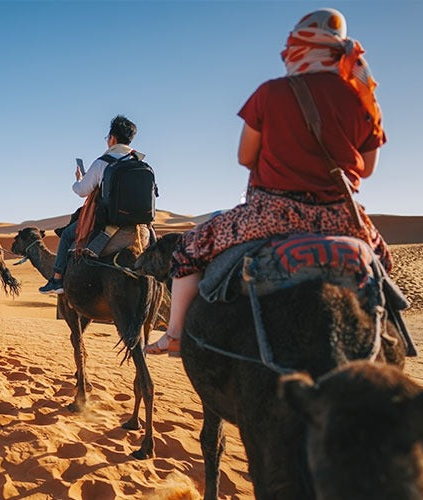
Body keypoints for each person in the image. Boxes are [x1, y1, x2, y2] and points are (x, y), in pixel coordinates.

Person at [145, 8, 390, 355]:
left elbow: (245, 157)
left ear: (299, 45)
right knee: (381, 265)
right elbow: (365, 169)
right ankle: (393, 342)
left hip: (272, 213)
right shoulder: (363, 98)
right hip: (342, 218)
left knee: (188, 251)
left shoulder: (272, 92)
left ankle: (176, 334)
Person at [39, 115, 143, 294]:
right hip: (138, 221)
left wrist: (79, 179)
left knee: (67, 236)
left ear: (112, 138)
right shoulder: (139, 163)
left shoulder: (103, 163)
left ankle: (57, 280)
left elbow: (82, 191)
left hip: (107, 219)